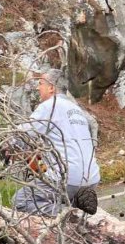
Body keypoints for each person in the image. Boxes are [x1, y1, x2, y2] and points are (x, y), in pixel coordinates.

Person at [11, 68, 100, 216]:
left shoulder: (50, 106)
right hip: (92, 177)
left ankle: (67, 215)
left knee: (21, 201)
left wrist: (6, 143)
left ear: (51, 87)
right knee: (59, 195)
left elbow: (23, 133)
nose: (38, 87)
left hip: (67, 178)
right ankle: (74, 201)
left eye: (41, 83)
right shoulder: (77, 110)